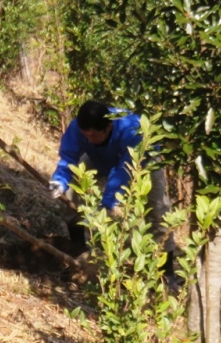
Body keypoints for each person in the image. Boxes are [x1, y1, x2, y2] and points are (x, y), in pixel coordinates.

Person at [49, 100, 175, 274]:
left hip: (140, 160)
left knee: (157, 210)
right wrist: (60, 180)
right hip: (99, 155)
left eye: (92, 136)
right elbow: (69, 156)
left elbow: (122, 172)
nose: (88, 139)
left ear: (108, 128)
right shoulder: (78, 127)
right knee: (72, 184)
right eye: (85, 135)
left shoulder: (132, 131)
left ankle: (166, 271)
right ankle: (77, 247)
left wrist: (104, 206)